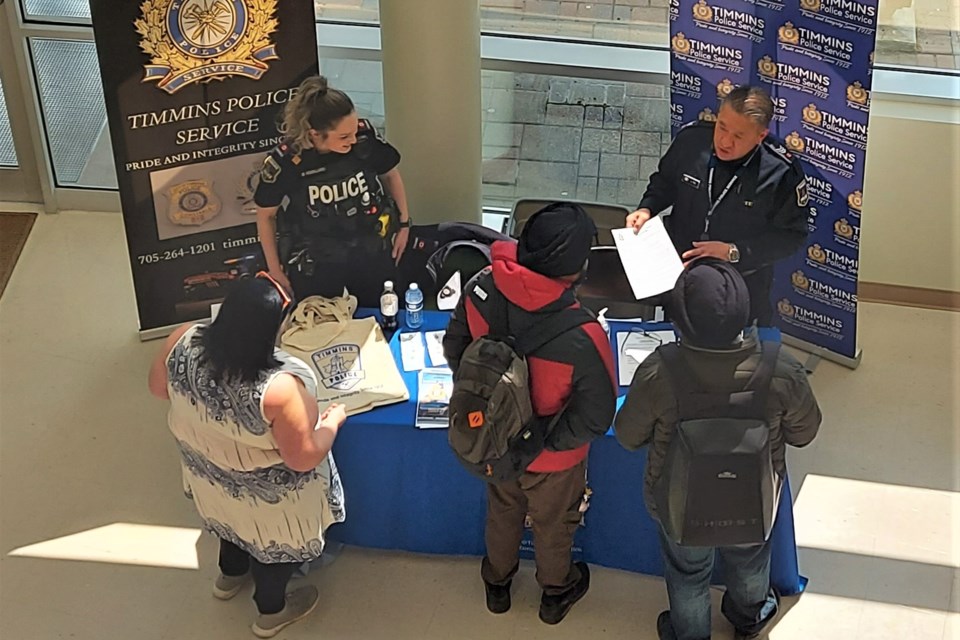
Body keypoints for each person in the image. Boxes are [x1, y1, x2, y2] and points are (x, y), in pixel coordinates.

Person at [614, 260, 821, 640]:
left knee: (688, 571)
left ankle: (691, 632)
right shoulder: (782, 368)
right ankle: (749, 617)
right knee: (750, 559)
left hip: (679, 500)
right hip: (755, 494)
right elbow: (805, 431)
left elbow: (627, 436)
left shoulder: (659, 370)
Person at [443, 202, 617, 625]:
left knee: (502, 510)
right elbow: (596, 417)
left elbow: (455, 349)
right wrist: (539, 441)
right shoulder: (585, 334)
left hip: (493, 443)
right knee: (554, 524)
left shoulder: (481, 287)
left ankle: (497, 585)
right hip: (554, 461)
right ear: (576, 270)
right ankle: (555, 593)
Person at [148, 275, 349, 639]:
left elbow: (158, 389)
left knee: (230, 522)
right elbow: (303, 459)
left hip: (209, 474)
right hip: (269, 500)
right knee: (272, 549)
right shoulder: (279, 389)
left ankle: (228, 577)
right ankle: (271, 611)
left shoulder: (182, 338)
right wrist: (332, 421)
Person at [626, 85, 810, 325]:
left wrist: (734, 251)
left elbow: (790, 237)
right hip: (681, 270)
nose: (725, 141)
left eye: (738, 136)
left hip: (739, 284)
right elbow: (665, 182)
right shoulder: (691, 141)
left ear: (760, 136)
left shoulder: (781, 173)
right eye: (722, 127)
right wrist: (646, 208)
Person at [254, 75, 411, 307]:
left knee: (384, 313)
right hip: (317, 258)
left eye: (354, 131)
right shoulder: (288, 161)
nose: (353, 141)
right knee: (318, 326)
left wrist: (405, 225)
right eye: (344, 137)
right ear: (314, 133)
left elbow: (390, 174)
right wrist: (275, 270)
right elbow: (265, 215)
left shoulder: (363, 139)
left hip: (369, 247)